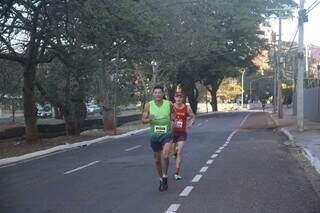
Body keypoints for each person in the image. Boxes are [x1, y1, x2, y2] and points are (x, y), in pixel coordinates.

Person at [142, 85, 174, 192]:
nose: (157, 94)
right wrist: (148, 119)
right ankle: (160, 178)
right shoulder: (148, 105)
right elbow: (143, 119)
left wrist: (173, 122)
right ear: (153, 94)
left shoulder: (169, 104)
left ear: (163, 94)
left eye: (159, 92)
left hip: (167, 134)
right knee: (156, 160)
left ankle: (165, 177)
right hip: (155, 135)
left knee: (165, 155)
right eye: (155, 92)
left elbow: (173, 116)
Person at [172, 91, 195, 180]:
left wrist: (190, 124)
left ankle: (177, 172)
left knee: (180, 151)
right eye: (177, 97)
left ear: (183, 99)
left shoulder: (187, 108)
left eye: (180, 97)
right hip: (172, 132)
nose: (178, 99)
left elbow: (193, 116)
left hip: (182, 133)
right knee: (173, 151)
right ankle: (174, 152)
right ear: (174, 98)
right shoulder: (171, 107)